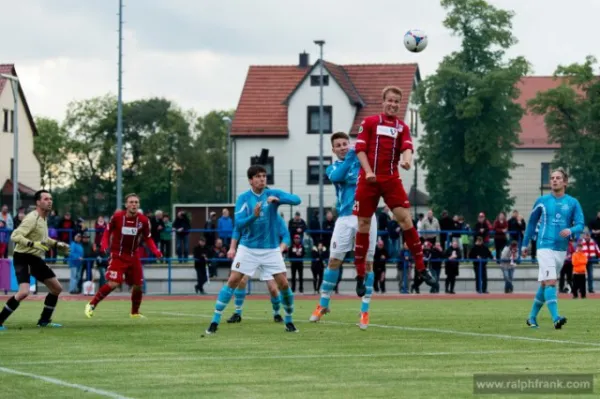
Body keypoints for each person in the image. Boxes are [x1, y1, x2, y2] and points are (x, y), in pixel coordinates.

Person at [352, 86, 435, 296]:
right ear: (383, 101)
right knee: (363, 224)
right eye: (390, 100)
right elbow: (360, 149)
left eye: (397, 101)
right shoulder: (369, 122)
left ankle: (422, 268)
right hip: (368, 179)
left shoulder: (401, 127)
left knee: (406, 219)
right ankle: (360, 275)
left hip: (390, 179)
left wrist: (407, 161)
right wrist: (369, 171)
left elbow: (407, 148)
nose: (393, 104)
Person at [205, 165, 301, 335]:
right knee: (234, 280)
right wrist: (253, 216)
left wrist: (278, 200)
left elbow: (297, 200)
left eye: (264, 176)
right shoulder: (244, 198)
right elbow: (239, 224)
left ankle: (288, 320)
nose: (262, 179)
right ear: (250, 180)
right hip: (248, 248)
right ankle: (215, 320)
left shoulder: (273, 194)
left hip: (271, 250)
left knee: (283, 284)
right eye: (258, 176)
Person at [309, 131, 378, 330]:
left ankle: (364, 311)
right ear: (333, 149)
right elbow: (339, 176)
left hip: (365, 215)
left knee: (368, 263)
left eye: (345, 144)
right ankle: (323, 305)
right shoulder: (333, 168)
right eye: (338, 145)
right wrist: (351, 155)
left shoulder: (362, 162)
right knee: (334, 261)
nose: (343, 147)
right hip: (345, 218)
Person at [523, 168, 584, 329]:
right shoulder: (542, 201)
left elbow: (580, 224)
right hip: (544, 246)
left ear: (565, 182)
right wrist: (525, 244)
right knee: (551, 281)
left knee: (545, 284)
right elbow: (531, 223)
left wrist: (571, 230)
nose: (554, 180)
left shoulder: (572, 203)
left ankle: (531, 318)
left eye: (558, 178)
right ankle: (556, 318)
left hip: (560, 249)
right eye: (552, 178)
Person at [84, 193, 163, 319]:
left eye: (136, 202)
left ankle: (134, 312)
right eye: (131, 202)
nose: (134, 204)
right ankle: (91, 304)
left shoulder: (143, 220)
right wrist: (104, 244)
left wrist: (156, 251)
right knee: (114, 283)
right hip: (118, 255)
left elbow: (148, 238)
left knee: (138, 285)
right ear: (126, 205)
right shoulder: (117, 217)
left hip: (134, 255)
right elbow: (107, 230)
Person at [0, 190, 70, 330]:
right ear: (38, 202)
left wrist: (56, 244)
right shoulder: (32, 218)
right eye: (45, 199)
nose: (49, 201)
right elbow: (15, 235)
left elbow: (42, 239)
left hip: (35, 258)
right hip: (22, 257)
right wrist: (32, 244)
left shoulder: (44, 218)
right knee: (24, 292)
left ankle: (44, 321)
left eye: (50, 198)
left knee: (56, 288)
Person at [224, 214, 290, 324]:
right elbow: (237, 228)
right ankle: (237, 313)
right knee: (241, 281)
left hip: (268, 254)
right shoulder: (251, 217)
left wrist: (280, 249)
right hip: (250, 252)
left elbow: (286, 237)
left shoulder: (276, 219)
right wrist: (232, 247)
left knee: (273, 289)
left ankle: (277, 313)